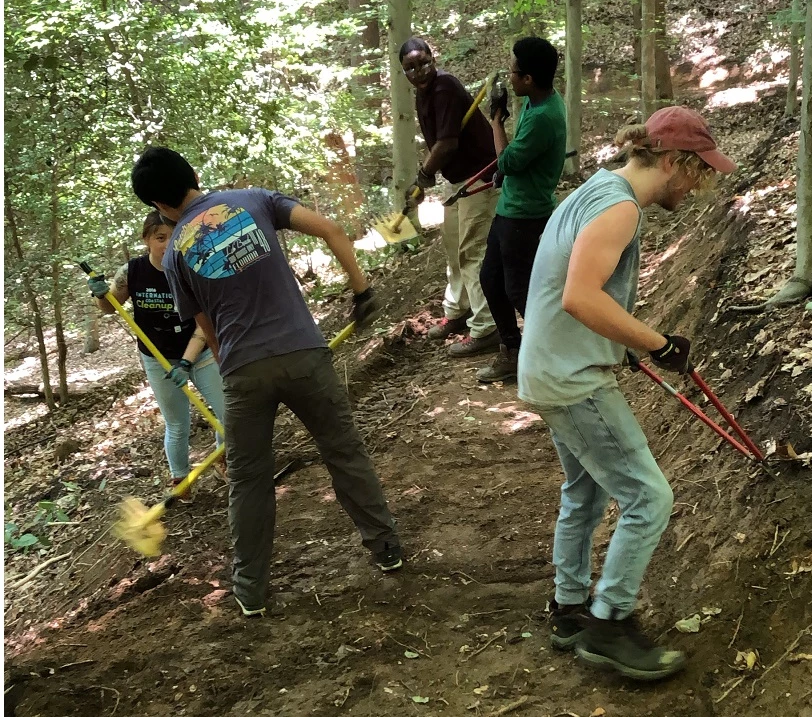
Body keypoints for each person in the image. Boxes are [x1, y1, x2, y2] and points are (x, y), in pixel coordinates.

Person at [130, 146, 404, 618]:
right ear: (194, 175)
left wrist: (237, 369)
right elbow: (333, 230)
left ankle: (250, 589)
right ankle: (386, 550)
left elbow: (208, 332)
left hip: (242, 372)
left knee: (249, 480)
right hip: (304, 354)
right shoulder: (254, 199)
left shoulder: (174, 255)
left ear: (159, 205)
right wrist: (362, 291)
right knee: (343, 452)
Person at [517, 107, 737, 680]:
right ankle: (609, 624)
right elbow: (580, 298)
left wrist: (630, 345)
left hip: (550, 368)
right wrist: (658, 344)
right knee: (649, 497)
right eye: (696, 174)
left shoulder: (599, 189)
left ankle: (569, 609)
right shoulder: (618, 209)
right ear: (671, 162)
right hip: (571, 379)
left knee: (585, 492)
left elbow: (578, 294)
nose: (696, 188)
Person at [87, 210, 226, 503]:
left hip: (198, 353)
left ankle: (223, 459)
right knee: (177, 424)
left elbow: (205, 326)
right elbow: (111, 307)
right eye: (160, 238)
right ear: (147, 239)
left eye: (173, 237)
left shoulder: (191, 266)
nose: (166, 244)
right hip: (157, 358)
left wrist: (187, 362)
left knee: (228, 414)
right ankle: (181, 480)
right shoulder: (132, 272)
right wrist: (101, 295)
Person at [399, 37, 501, 357]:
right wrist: (429, 175)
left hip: (480, 176)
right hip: (457, 180)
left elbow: (447, 143)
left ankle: (486, 327)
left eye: (423, 62)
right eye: (410, 67)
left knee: (472, 252)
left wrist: (423, 177)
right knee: (454, 248)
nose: (419, 71)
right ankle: (458, 312)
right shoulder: (422, 93)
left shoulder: (444, 88)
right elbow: (439, 146)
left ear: (433, 57)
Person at [477, 36, 567, 383]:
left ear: (529, 79)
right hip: (512, 208)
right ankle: (513, 349)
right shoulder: (536, 101)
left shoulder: (544, 116)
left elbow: (509, 161)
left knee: (518, 289)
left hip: (524, 215)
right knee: (491, 278)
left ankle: (551, 353)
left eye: (513, 71)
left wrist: (496, 121)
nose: (508, 77)